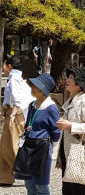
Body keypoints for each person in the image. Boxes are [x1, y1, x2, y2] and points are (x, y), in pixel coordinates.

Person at [56, 67, 85, 195]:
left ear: (79, 84)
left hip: (79, 153)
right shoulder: (71, 100)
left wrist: (70, 125)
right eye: (68, 77)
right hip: (68, 152)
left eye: (71, 78)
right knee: (68, 190)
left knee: (78, 190)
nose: (67, 80)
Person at [16, 74, 61, 195]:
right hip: (28, 147)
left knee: (41, 186)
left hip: (42, 149)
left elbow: (56, 131)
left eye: (34, 86)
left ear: (41, 90)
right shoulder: (32, 105)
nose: (31, 88)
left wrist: (52, 146)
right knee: (29, 185)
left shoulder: (51, 108)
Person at [1, 55, 34, 186]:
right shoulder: (20, 76)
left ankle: (29, 172)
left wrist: (13, 115)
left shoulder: (14, 78)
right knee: (5, 147)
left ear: (9, 66)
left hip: (16, 115)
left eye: (4, 65)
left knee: (13, 146)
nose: (3, 68)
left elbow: (18, 99)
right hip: (15, 114)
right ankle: (4, 177)